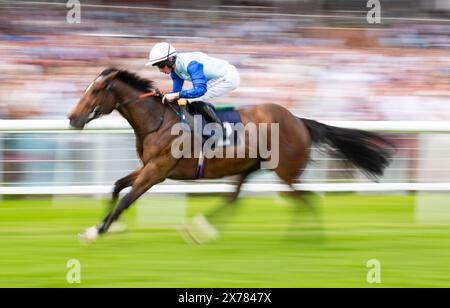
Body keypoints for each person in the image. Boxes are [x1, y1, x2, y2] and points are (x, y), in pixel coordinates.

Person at [146, 42, 240, 136]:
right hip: (217, 78)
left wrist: (175, 95)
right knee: (187, 98)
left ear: (170, 60)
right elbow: (176, 93)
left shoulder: (191, 64)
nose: (160, 70)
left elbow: (200, 90)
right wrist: (164, 95)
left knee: (193, 98)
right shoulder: (174, 70)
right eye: (158, 67)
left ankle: (221, 130)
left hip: (228, 77)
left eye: (161, 66)